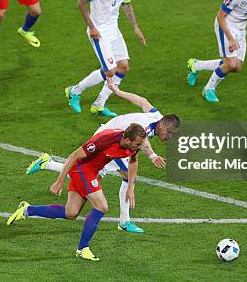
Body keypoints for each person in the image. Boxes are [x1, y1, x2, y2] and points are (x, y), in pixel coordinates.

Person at [26, 82, 180, 233]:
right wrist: (152, 155)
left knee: (95, 174)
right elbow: (143, 142)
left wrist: (119, 92)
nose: (170, 137)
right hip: (109, 141)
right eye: (170, 133)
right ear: (163, 126)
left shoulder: (157, 117)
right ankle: (124, 221)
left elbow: (143, 102)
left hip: (116, 141)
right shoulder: (144, 127)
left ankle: (48, 163)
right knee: (126, 175)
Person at [6, 124, 147, 261]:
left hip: (91, 171)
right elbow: (74, 156)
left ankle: (27, 210)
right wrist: (60, 181)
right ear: (127, 140)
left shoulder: (133, 144)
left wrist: (130, 188)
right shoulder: (105, 140)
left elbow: (133, 161)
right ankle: (82, 249)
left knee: (71, 212)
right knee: (102, 206)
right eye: (138, 144)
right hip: (82, 169)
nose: (140, 147)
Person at [64, 0, 146, 117]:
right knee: (110, 70)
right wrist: (92, 27)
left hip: (114, 30)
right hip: (99, 32)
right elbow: (81, 3)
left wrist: (136, 28)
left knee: (123, 67)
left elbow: (127, 5)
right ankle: (75, 90)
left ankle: (99, 103)